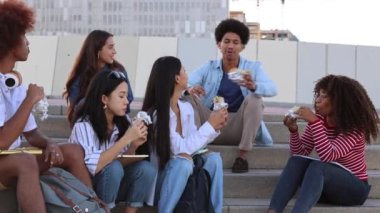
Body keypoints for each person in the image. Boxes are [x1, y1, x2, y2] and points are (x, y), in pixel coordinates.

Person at [0, 1, 92, 212]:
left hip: (9, 161)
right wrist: (30, 100)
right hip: (7, 161)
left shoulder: (15, 86)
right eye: (24, 37)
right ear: (11, 42)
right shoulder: (23, 93)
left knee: (72, 151)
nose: (28, 43)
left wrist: (50, 143)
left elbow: (32, 135)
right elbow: (3, 141)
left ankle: (92, 207)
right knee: (25, 162)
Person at [268, 75, 378, 213]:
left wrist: (314, 123)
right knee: (296, 161)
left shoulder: (354, 127)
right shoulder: (319, 120)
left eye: (323, 96)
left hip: (354, 190)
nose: (317, 101)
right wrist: (293, 131)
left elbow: (329, 156)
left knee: (319, 166)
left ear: (338, 101)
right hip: (325, 189)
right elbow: (300, 153)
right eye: (317, 95)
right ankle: (273, 211)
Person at [188, 18, 278, 173]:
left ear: (242, 46)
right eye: (226, 41)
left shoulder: (253, 67)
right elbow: (186, 83)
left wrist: (254, 86)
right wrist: (191, 89)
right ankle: (194, 150)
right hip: (210, 124)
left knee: (255, 99)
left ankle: (242, 157)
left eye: (236, 42)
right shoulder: (208, 67)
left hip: (238, 126)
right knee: (187, 97)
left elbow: (272, 89)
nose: (230, 46)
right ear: (219, 44)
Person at [142, 56, 227, 213]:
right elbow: (180, 150)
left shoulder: (186, 108)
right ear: (176, 78)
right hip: (162, 182)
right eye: (184, 70)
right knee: (183, 163)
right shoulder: (158, 115)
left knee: (214, 159)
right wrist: (209, 125)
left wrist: (215, 127)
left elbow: (194, 144)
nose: (187, 74)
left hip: (186, 175)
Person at [69, 70, 156, 212]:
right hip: (86, 188)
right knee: (113, 168)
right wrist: (127, 138)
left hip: (112, 182)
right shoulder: (84, 125)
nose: (126, 101)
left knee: (146, 170)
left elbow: (120, 161)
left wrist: (133, 146)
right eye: (121, 96)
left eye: (126, 96)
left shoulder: (122, 122)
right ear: (104, 99)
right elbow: (94, 166)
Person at [64, 29, 134, 125]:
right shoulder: (80, 75)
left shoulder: (118, 71)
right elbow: (77, 107)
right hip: (89, 124)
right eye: (110, 47)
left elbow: (129, 98)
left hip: (116, 124)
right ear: (97, 49)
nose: (114, 52)